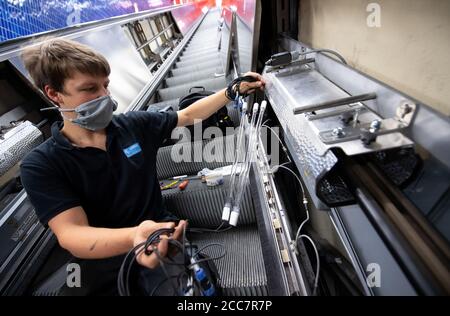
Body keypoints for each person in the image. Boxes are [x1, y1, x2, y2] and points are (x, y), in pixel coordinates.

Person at [20, 38, 265, 295]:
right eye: (90, 89)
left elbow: (188, 116)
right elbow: (71, 233)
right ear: (53, 94)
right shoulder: (41, 164)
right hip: (100, 257)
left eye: (106, 86)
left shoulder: (132, 126)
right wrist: (134, 237)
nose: (105, 97)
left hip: (160, 237)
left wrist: (231, 91)